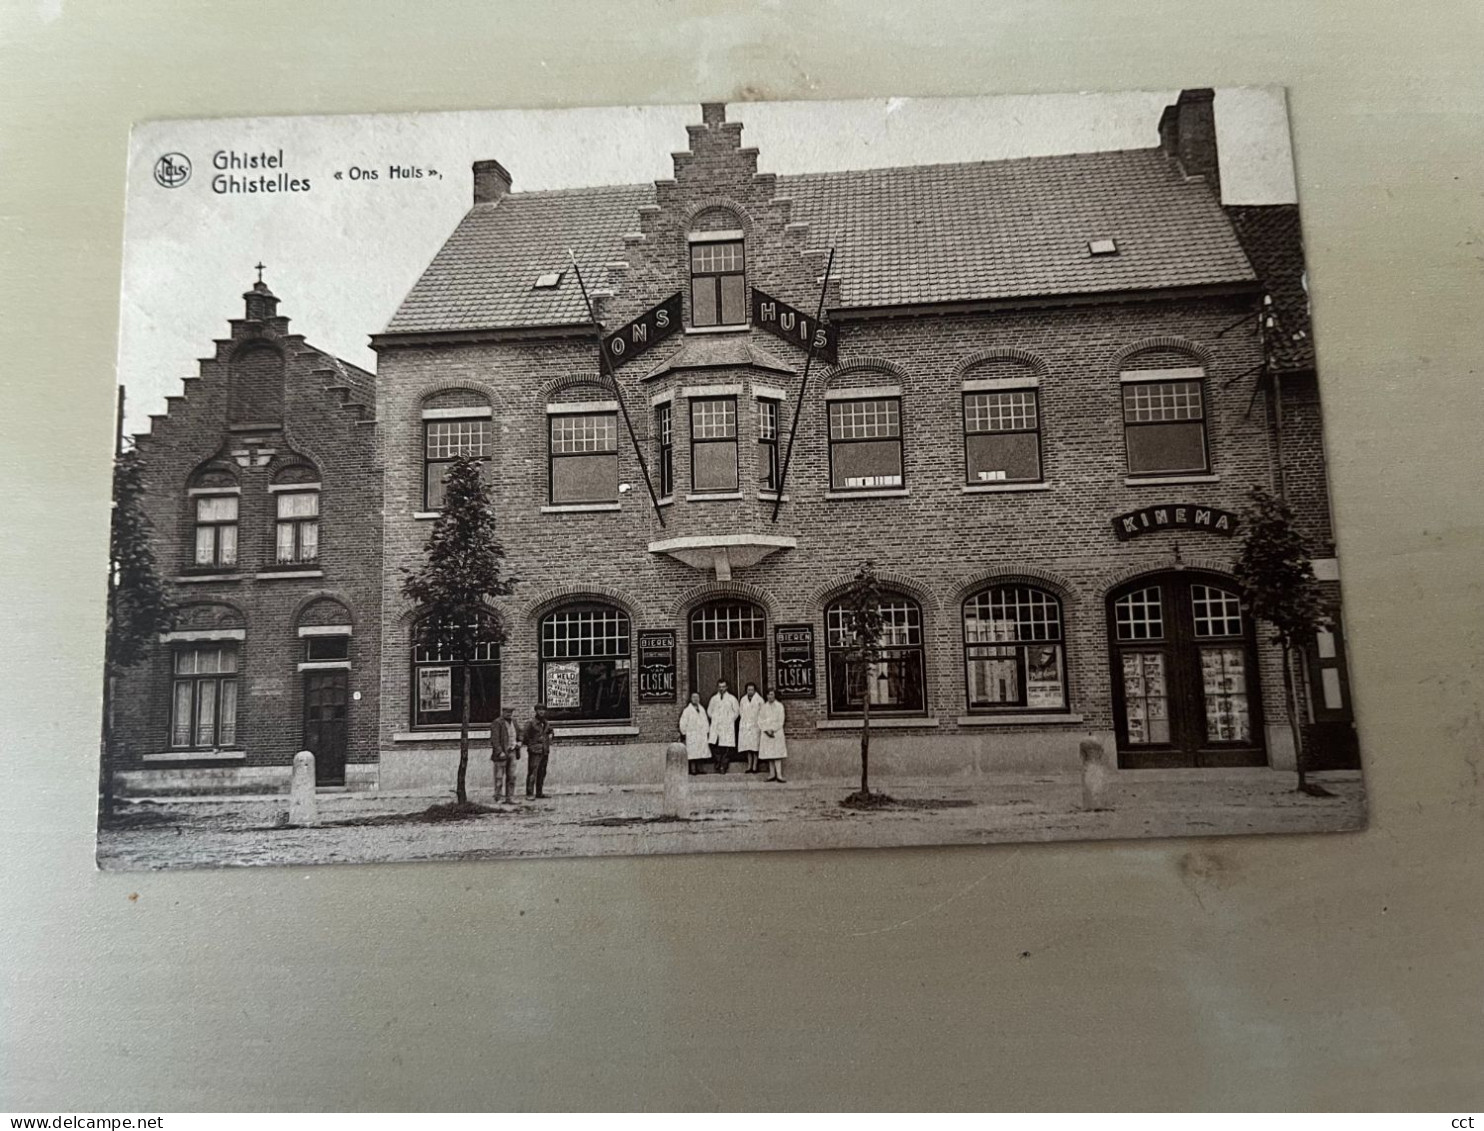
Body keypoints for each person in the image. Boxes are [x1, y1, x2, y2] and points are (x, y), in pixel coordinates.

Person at [707, 679, 741, 774]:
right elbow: (709, 711)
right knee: (715, 745)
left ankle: (723, 766)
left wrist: (730, 720)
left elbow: (737, 712)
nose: (721, 689)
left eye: (723, 687)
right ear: (717, 687)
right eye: (720, 687)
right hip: (716, 726)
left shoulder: (732, 699)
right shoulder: (714, 699)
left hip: (727, 726)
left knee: (727, 748)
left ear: (727, 687)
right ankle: (718, 762)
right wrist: (714, 718)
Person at [523, 702, 555, 799]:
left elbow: (551, 731)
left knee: (542, 772)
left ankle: (539, 793)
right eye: (539, 710)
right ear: (536, 711)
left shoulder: (546, 723)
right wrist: (532, 745)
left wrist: (551, 736)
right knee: (533, 772)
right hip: (535, 751)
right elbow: (525, 736)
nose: (541, 712)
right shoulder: (531, 723)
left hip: (545, 751)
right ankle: (529, 794)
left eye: (543, 710)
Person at [491, 705, 520, 804]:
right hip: (502, 754)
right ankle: (498, 797)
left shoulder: (514, 722)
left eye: (511, 712)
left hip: (512, 752)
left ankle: (510, 797)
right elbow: (495, 739)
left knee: (512, 776)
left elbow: (520, 733)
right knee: (499, 777)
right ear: (503, 712)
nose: (509, 714)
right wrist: (499, 752)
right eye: (507, 712)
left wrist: (520, 741)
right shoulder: (497, 722)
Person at [759, 688, 787, 782]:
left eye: (771, 694)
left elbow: (781, 720)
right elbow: (760, 720)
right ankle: (771, 774)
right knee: (769, 754)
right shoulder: (763, 707)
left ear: (774, 695)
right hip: (766, 733)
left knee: (777, 754)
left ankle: (779, 775)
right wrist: (766, 730)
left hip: (777, 733)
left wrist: (773, 730)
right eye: (768, 695)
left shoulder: (779, 706)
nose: (770, 696)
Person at [679, 692, 710, 775]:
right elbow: (683, 722)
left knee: (700, 752)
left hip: (701, 734)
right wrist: (684, 732)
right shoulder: (687, 710)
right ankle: (693, 770)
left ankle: (700, 769)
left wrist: (707, 730)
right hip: (691, 734)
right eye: (694, 697)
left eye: (697, 697)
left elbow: (705, 720)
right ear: (691, 699)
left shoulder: (702, 709)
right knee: (692, 753)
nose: (695, 699)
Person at [737, 681, 764, 773]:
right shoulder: (743, 700)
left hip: (755, 726)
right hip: (746, 725)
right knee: (748, 747)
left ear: (755, 690)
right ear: (746, 690)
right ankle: (749, 766)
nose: (750, 691)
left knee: (755, 748)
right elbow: (741, 712)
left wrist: (757, 722)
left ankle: (755, 766)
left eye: (752, 689)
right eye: (748, 690)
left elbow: (762, 713)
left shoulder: (759, 700)